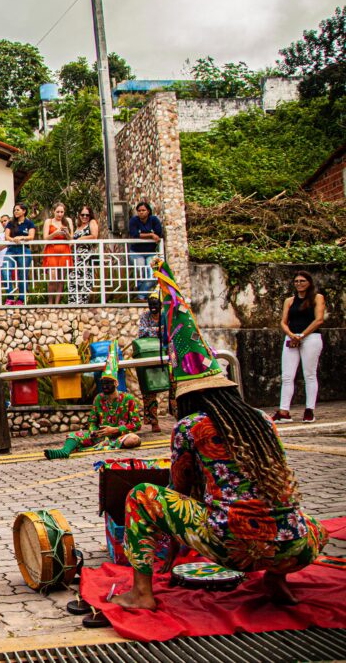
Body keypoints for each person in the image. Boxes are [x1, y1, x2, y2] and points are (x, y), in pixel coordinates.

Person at [110, 261, 327, 610]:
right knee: (314, 523)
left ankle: (141, 593)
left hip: (233, 547)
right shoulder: (261, 420)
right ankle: (276, 580)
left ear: (189, 396)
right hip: (294, 548)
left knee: (141, 497)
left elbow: (177, 489)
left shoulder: (191, 426)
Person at [44, 342, 142, 459]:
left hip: (119, 436)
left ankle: (109, 444)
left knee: (134, 439)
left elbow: (137, 424)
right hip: (100, 437)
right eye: (103, 383)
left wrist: (115, 430)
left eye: (108, 383)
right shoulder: (99, 398)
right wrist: (94, 431)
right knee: (73, 436)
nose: (105, 386)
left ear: (116, 383)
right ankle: (64, 452)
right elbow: (92, 421)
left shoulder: (128, 399)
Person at [272, 271, 325, 424]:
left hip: (310, 338)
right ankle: (284, 411)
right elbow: (283, 321)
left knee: (309, 374)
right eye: (296, 281)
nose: (299, 284)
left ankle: (309, 410)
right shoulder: (289, 300)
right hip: (292, 338)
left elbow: (319, 320)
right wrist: (291, 334)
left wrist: (301, 335)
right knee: (287, 376)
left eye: (302, 281)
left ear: (309, 282)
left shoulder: (317, 297)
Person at [137, 292, 164, 432]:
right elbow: (142, 332)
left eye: (155, 304)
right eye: (150, 304)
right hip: (150, 354)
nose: (153, 307)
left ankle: (178, 416)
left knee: (174, 388)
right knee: (150, 390)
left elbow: (168, 332)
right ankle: (154, 421)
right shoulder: (144, 317)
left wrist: (153, 331)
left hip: (165, 354)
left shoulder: (165, 316)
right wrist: (158, 331)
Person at [128, 201, 163, 300]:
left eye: (143, 210)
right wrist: (151, 235)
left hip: (150, 252)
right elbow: (134, 234)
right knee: (141, 271)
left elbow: (159, 233)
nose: (141, 212)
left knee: (152, 274)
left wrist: (143, 234)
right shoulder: (134, 220)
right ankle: (142, 295)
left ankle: (140, 295)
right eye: (139, 211)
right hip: (136, 252)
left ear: (148, 211)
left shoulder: (153, 220)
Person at [5, 203, 36, 305]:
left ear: (24, 211)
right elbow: (7, 236)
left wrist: (22, 237)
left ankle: (21, 299)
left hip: (24, 250)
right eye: (14, 210)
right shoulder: (11, 223)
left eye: (17, 210)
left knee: (22, 274)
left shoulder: (29, 223)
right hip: (11, 249)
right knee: (5, 270)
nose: (15, 212)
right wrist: (13, 239)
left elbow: (31, 236)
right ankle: (10, 296)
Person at [42, 202, 73, 305]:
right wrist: (55, 233)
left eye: (62, 212)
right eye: (58, 212)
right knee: (52, 278)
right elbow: (45, 237)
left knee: (61, 280)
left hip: (64, 251)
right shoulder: (49, 221)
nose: (60, 214)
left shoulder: (68, 221)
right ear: (53, 211)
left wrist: (66, 233)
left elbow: (71, 239)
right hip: (52, 251)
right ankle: (50, 303)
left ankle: (57, 303)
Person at [67, 206, 99, 305]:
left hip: (85, 257)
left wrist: (81, 239)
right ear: (79, 215)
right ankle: (73, 304)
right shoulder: (78, 227)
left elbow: (94, 236)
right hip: (74, 257)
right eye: (82, 215)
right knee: (73, 280)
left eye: (87, 215)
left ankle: (82, 304)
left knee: (84, 280)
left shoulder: (92, 223)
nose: (85, 217)